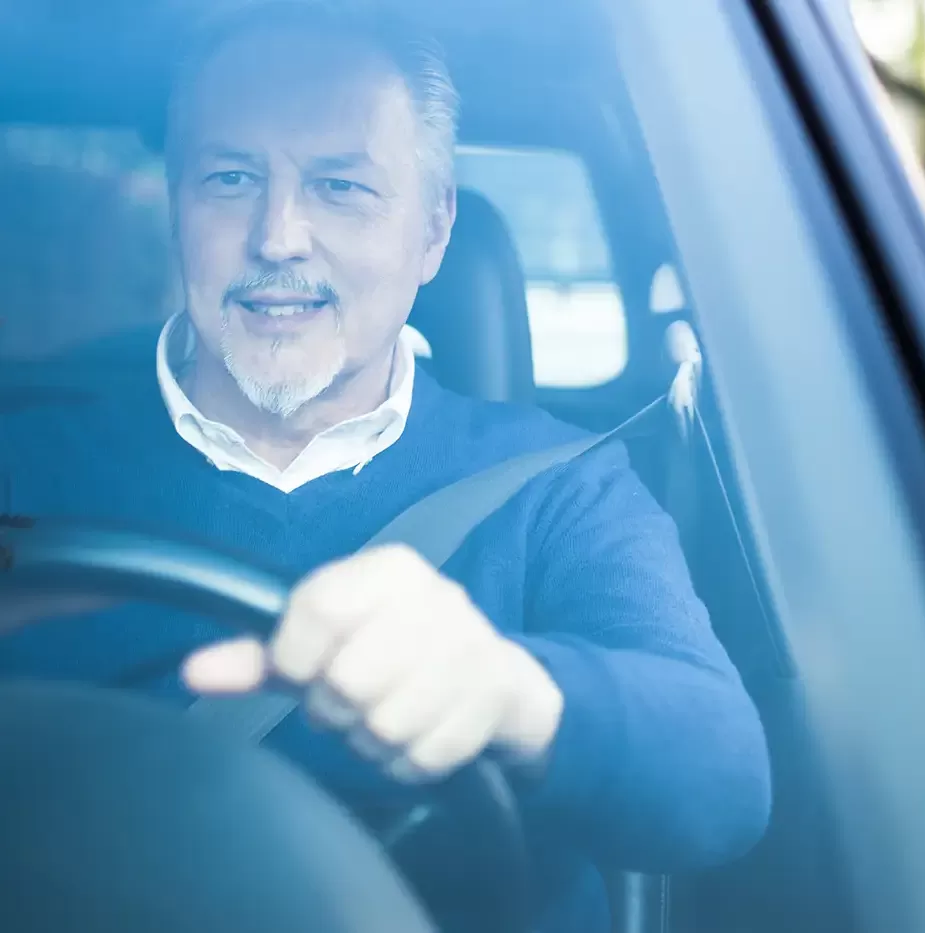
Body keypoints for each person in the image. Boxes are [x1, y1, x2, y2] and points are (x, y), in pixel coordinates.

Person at [0, 3, 771, 932]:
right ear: (177, 207)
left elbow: (724, 774)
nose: (278, 235)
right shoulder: (20, 464)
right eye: (231, 177)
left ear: (434, 229)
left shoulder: (557, 484)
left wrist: (507, 691)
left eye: (342, 187)